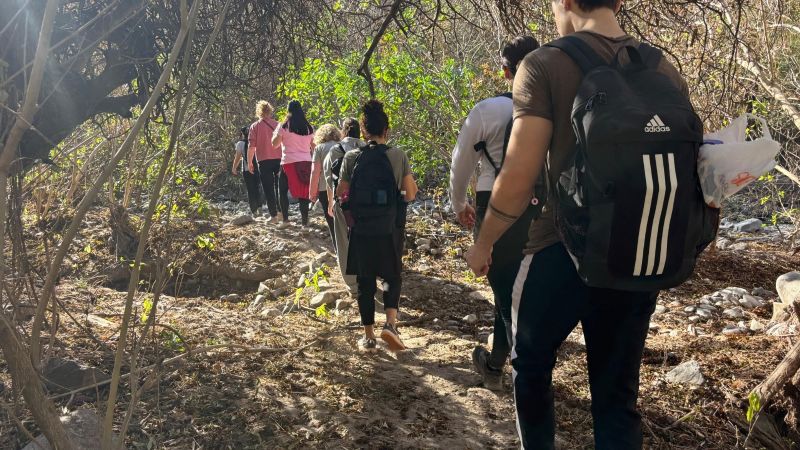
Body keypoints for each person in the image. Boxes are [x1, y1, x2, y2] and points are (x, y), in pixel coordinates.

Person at [466, 1, 692, 448]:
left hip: (559, 249)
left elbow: (516, 177)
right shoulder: (662, 67)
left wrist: (484, 241)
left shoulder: (545, 64)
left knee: (529, 364)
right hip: (637, 255)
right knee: (617, 398)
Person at [449, 35, 540, 391]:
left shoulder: (487, 110)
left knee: (504, 289)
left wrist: (459, 205)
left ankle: (516, 369)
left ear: (505, 71)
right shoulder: (553, 106)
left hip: (495, 200)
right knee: (524, 288)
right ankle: (498, 362)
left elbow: (461, 165)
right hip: (542, 202)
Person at [337, 101, 417, 352]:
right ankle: (391, 325)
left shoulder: (352, 157)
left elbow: (342, 193)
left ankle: (368, 336)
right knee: (391, 275)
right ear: (387, 131)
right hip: (389, 227)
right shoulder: (397, 155)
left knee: (365, 280)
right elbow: (411, 194)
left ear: (363, 132)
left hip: (361, 228)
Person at [324, 118, 364, 296]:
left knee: (343, 242)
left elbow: (329, 179)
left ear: (343, 131)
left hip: (343, 202)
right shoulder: (367, 147)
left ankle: (353, 285)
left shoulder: (336, 150)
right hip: (366, 202)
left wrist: (331, 201)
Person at [272, 100, 315, 228]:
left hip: (288, 162)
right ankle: (304, 223)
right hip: (306, 162)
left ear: (288, 110)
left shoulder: (284, 126)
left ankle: (285, 220)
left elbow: (274, 144)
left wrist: (275, 133)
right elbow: (314, 146)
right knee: (303, 193)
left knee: (283, 190)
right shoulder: (309, 127)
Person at [247, 100, 282, 222]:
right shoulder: (278, 125)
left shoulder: (254, 127)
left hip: (263, 161)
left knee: (268, 188)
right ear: (270, 111)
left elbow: (251, 147)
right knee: (280, 186)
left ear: (258, 112)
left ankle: (274, 215)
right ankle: (282, 212)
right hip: (279, 159)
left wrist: (249, 162)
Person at [309, 124, 341, 244]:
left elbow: (315, 171)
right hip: (343, 188)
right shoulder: (341, 146)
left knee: (332, 222)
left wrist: (312, 192)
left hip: (324, 188)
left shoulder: (319, 148)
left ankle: (339, 251)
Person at [233, 126, 263, 214]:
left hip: (246, 170)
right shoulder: (256, 142)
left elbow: (237, 157)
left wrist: (234, 168)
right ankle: (260, 207)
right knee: (258, 187)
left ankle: (253, 210)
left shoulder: (240, 144)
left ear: (242, 134)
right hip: (258, 168)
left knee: (250, 189)